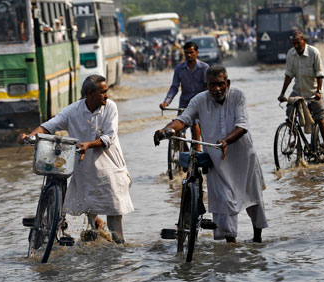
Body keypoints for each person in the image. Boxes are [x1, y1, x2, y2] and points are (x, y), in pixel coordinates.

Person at [154, 66, 268, 243]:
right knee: (225, 202)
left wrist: (226, 141)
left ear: (227, 83)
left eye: (221, 84)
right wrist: (164, 130)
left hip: (243, 157)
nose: (217, 89)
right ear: (206, 86)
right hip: (218, 161)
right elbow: (183, 119)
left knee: (254, 200)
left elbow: (242, 125)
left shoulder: (238, 96)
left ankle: (257, 240)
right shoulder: (199, 100)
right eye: (212, 85)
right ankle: (231, 247)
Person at [18, 75, 134, 244]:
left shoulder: (110, 107)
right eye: (102, 92)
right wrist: (28, 136)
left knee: (114, 211)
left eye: (106, 92)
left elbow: (109, 137)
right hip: (85, 168)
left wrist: (89, 144)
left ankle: (119, 246)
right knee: (89, 207)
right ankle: (97, 233)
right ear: (89, 93)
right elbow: (49, 126)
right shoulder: (73, 111)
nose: (106, 96)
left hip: (110, 167)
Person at [278, 30, 324, 160]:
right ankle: (294, 138)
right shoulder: (291, 54)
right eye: (293, 43)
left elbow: (320, 74)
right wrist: (282, 93)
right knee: (290, 113)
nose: (296, 46)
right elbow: (289, 75)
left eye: (298, 43)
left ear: (304, 41)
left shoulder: (314, 53)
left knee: (320, 119)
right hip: (298, 91)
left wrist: (319, 91)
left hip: (313, 91)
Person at [159, 41, 209, 150]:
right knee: (176, 130)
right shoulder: (179, 69)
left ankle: (197, 152)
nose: (189, 55)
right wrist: (166, 102)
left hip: (200, 105)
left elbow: (208, 88)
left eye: (191, 52)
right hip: (185, 105)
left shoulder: (204, 68)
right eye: (186, 53)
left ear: (197, 52)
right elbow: (174, 87)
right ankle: (183, 155)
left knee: (196, 125)